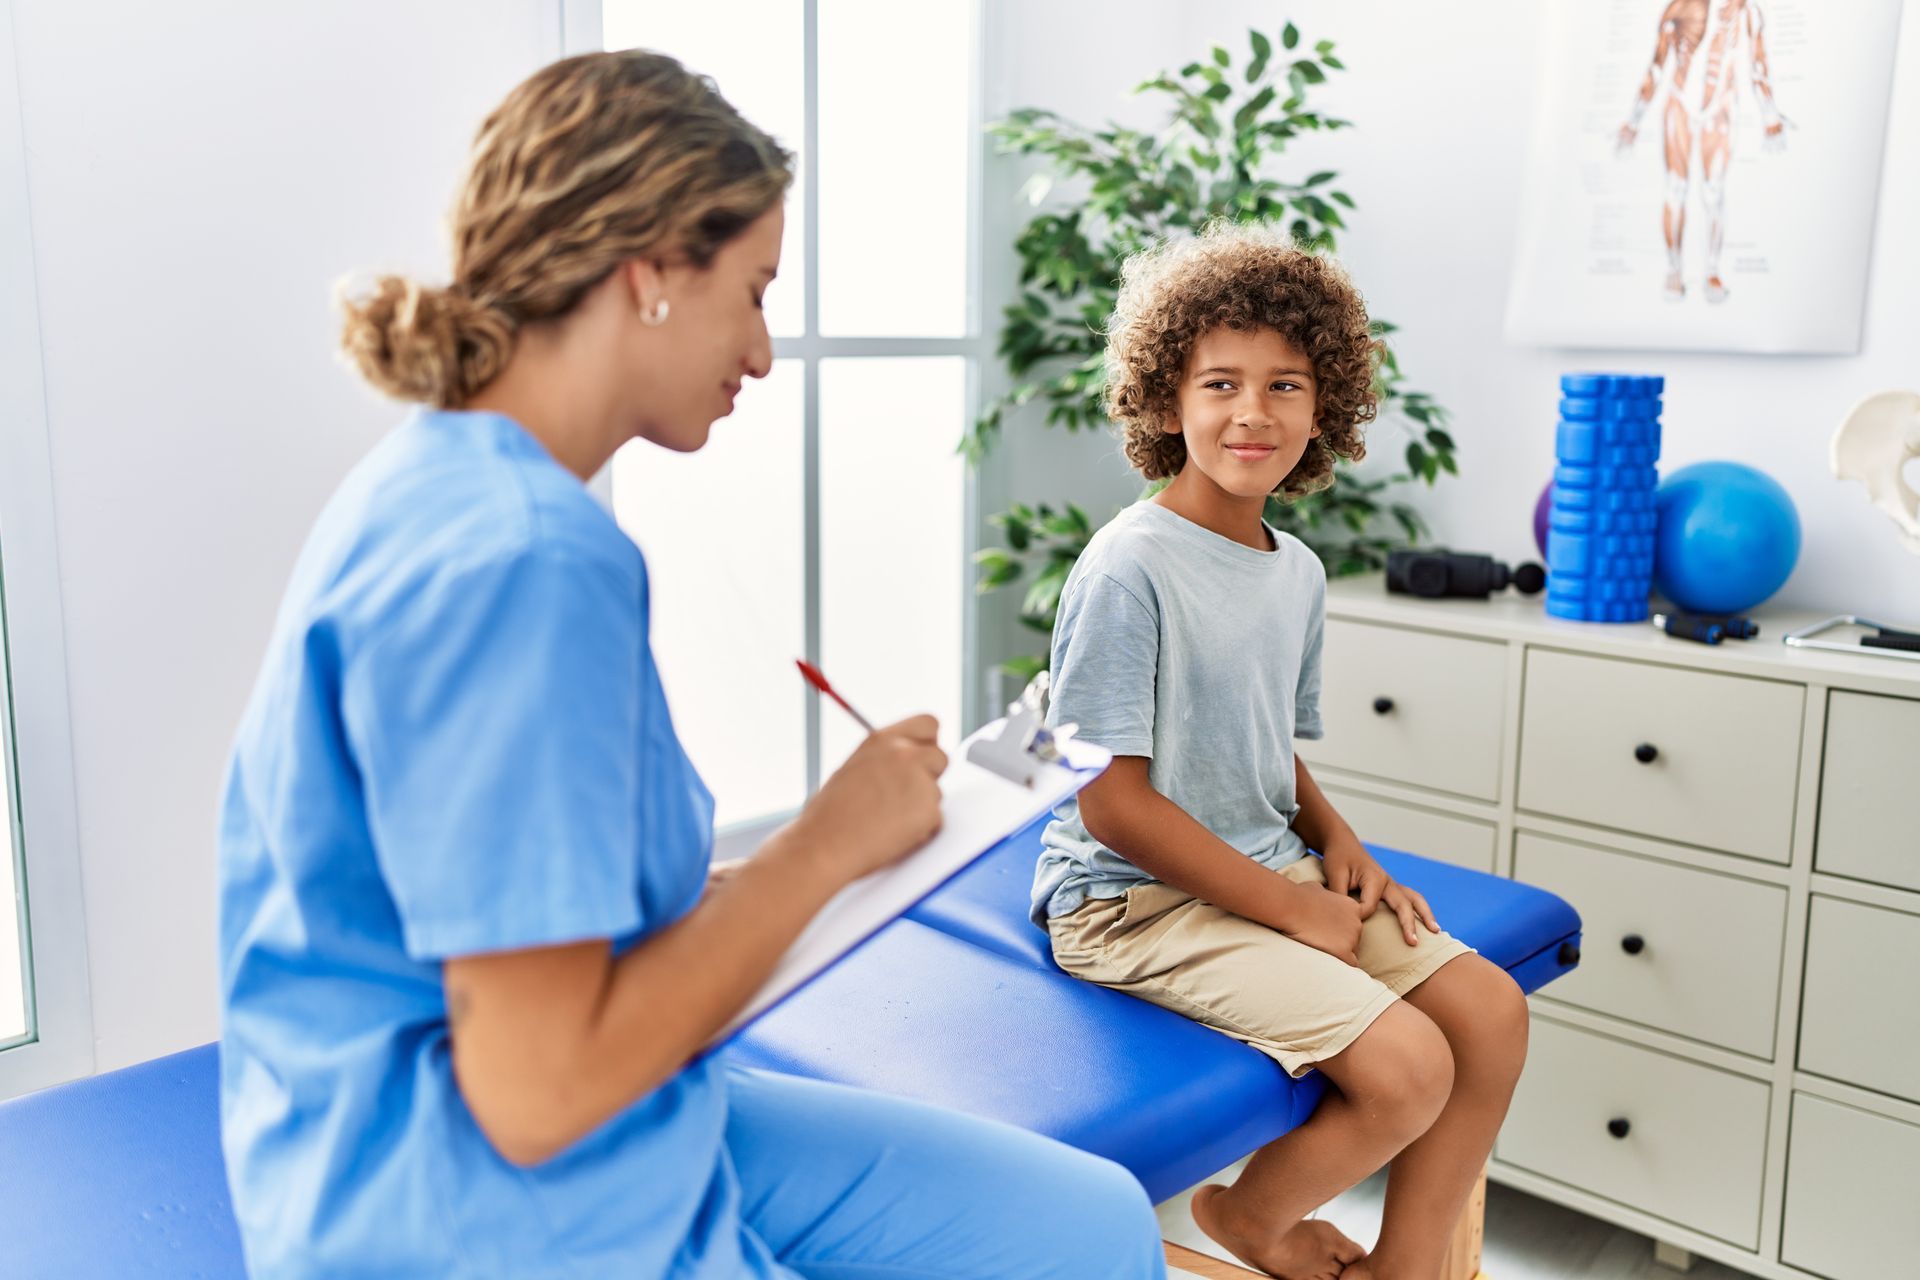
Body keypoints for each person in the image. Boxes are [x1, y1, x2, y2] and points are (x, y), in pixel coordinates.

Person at [217, 49, 1165, 1280]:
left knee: (1086, 1220)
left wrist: (787, 865)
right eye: (754, 289)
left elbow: (506, 890)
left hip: (577, 1104)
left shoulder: (448, 480)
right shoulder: (521, 561)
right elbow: (537, 1091)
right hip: (462, 1200)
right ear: (654, 269)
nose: (764, 351)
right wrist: (822, 849)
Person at [1033, 223, 1531, 1280]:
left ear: (1326, 408)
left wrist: (1337, 838)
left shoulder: (1294, 568)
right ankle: (1248, 1217)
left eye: (1286, 386)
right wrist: (1294, 907)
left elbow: (1254, 737)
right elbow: (1109, 800)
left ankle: (1405, 1267)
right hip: (1129, 900)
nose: (1252, 413)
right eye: (1219, 383)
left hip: (1262, 865)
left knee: (1488, 1011)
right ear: (1168, 401)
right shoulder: (1129, 568)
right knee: (1407, 1065)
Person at [1615, 0, 1787, 304]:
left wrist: (1770, 116)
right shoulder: (1680, 8)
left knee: (1713, 192)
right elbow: (1656, 66)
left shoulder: (1748, 13)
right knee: (1676, 189)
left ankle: (1711, 270)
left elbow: (1758, 66)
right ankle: (1673, 269)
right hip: (1680, 104)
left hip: (1720, 108)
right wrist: (1634, 120)